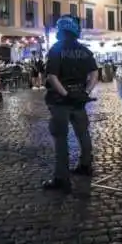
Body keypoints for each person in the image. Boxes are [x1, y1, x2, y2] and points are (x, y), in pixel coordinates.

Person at [42, 15, 98, 191]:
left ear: (61, 30)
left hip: (61, 101)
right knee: (83, 134)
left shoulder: (56, 49)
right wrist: (86, 92)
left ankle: (61, 178)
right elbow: (95, 73)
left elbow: (52, 76)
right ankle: (86, 165)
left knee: (61, 139)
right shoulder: (84, 50)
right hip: (79, 99)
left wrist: (65, 94)